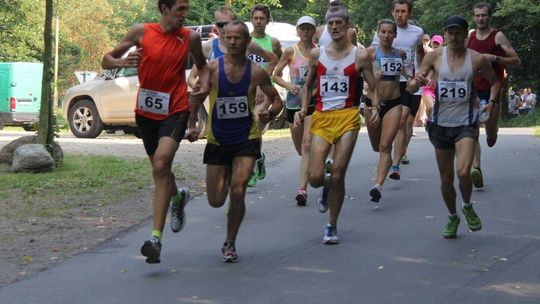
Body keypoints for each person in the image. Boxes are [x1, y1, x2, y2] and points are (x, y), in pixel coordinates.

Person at [101, 0, 209, 264]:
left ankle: (155, 239)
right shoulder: (141, 32)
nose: (185, 14)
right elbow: (106, 60)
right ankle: (177, 196)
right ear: (164, 9)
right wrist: (122, 61)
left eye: (186, 9)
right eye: (180, 9)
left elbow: (203, 67)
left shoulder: (190, 37)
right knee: (160, 170)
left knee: (161, 163)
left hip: (176, 108)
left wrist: (204, 86)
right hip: (146, 112)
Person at [188, 21, 283, 262]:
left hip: (246, 137)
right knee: (216, 200)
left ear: (247, 42)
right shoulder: (211, 69)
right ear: (222, 39)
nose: (232, 42)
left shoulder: (256, 72)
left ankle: (230, 242)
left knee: (238, 189)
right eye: (227, 38)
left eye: (237, 38)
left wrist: (269, 114)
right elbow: (196, 97)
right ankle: (211, 184)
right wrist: (192, 125)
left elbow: (277, 102)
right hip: (218, 139)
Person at [407, 15, 500, 239]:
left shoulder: (476, 59)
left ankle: (467, 205)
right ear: (445, 34)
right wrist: (414, 83)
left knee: (463, 172)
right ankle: (452, 216)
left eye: (459, 32)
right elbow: (412, 86)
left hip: (466, 123)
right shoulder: (434, 57)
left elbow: (495, 82)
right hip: (440, 124)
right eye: (450, 32)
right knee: (447, 178)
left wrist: (491, 104)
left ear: (465, 35)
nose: (455, 36)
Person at [295, 3, 379, 244]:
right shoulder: (316, 54)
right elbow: (308, 85)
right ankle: (327, 187)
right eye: (330, 24)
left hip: (348, 116)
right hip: (322, 117)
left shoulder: (360, 55)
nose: (334, 27)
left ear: (347, 25)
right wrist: (303, 108)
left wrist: (375, 108)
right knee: (314, 177)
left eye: (339, 23)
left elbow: (373, 86)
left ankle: (331, 225)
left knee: (339, 172)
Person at [468, 2, 521, 189]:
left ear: (489, 17)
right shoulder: (470, 36)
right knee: (472, 130)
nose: (480, 18)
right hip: (473, 87)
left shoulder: (497, 36)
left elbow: (516, 60)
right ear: (473, 17)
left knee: (489, 131)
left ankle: (493, 132)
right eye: (477, 15)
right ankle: (477, 169)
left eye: (484, 15)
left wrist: (496, 58)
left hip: (493, 87)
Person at [372, 0, 424, 179]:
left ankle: (395, 164)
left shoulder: (417, 32)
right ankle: (388, 150)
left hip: (406, 82)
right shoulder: (383, 31)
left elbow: (420, 53)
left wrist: (421, 74)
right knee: (382, 133)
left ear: (409, 13)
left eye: (403, 11)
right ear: (392, 12)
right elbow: (373, 55)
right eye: (397, 11)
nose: (400, 14)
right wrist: (373, 74)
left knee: (403, 122)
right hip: (387, 82)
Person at [272, 16, 317, 206]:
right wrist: (289, 85)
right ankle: (314, 164)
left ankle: (302, 189)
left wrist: (313, 91)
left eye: (309, 28)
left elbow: (323, 76)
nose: (305, 31)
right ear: (297, 31)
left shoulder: (319, 52)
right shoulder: (291, 51)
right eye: (302, 28)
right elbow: (276, 75)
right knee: (300, 149)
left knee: (307, 145)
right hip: (293, 103)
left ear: (313, 31)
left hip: (314, 102)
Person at [187, 6, 278, 88]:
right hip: (217, 101)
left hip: (249, 99)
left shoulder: (248, 45)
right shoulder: (209, 47)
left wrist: (262, 85)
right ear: (215, 25)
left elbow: (273, 59)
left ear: (235, 23)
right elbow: (191, 78)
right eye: (220, 24)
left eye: (227, 23)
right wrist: (201, 89)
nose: (224, 28)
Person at [365, 19, 404, 204]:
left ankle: (378, 185)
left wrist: (415, 78)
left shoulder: (400, 54)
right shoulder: (370, 53)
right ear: (378, 33)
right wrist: (372, 76)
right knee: (376, 146)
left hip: (394, 103)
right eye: (383, 32)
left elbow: (405, 72)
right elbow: (358, 74)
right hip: (372, 103)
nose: (387, 36)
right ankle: (383, 172)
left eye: (390, 32)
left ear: (395, 34)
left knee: (385, 146)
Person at [247, 4, 283, 187]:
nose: (259, 22)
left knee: (254, 122)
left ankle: (251, 169)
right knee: (247, 129)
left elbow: (279, 60)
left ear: (267, 20)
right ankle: (259, 157)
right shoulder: (245, 40)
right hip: (246, 89)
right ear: (251, 20)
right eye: (256, 18)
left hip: (265, 89)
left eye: (262, 18)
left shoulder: (273, 42)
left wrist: (267, 79)